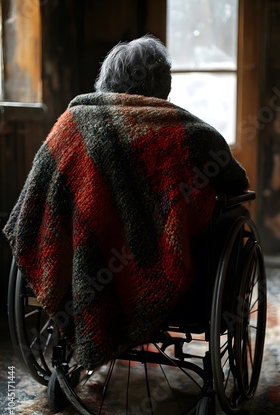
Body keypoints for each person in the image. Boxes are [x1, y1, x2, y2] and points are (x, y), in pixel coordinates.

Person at [4, 34, 249, 369]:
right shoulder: (192, 133)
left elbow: (36, 202)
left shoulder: (71, 124)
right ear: (164, 85)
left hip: (79, 270)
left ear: (106, 80)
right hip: (172, 284)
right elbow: (237, 183)